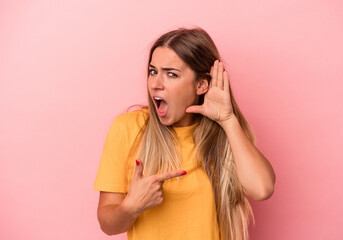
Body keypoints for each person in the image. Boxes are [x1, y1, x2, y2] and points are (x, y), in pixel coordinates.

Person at [94, 27, 276, 240]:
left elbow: (263, 189)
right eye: (153, 71)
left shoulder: (227, 132)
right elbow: (107, 224)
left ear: (201, 84)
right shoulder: (128, 128)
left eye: (171, 74)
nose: (155, 84)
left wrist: (227, 120)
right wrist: (131, 206)